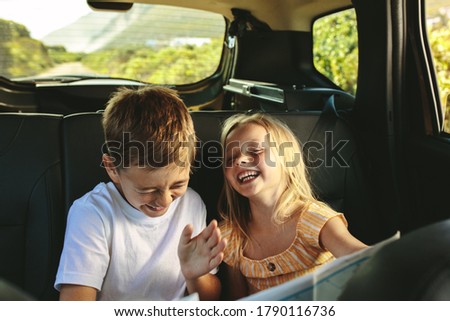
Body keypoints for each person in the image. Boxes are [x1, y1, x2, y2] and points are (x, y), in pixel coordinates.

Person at [54, 86, 226, 301]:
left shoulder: (191, 203)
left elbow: (211, 301)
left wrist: (194, 275)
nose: (164, 201)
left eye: (177, 184)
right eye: (148, 189)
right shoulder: (92, 213)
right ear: (113, 169)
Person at [218, 113, 367, 299]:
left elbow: (361, 259)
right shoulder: (232, 236)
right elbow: (238, 303)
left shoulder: (313, 219)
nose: (239, 161)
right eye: (230, 160)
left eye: (255, 151)